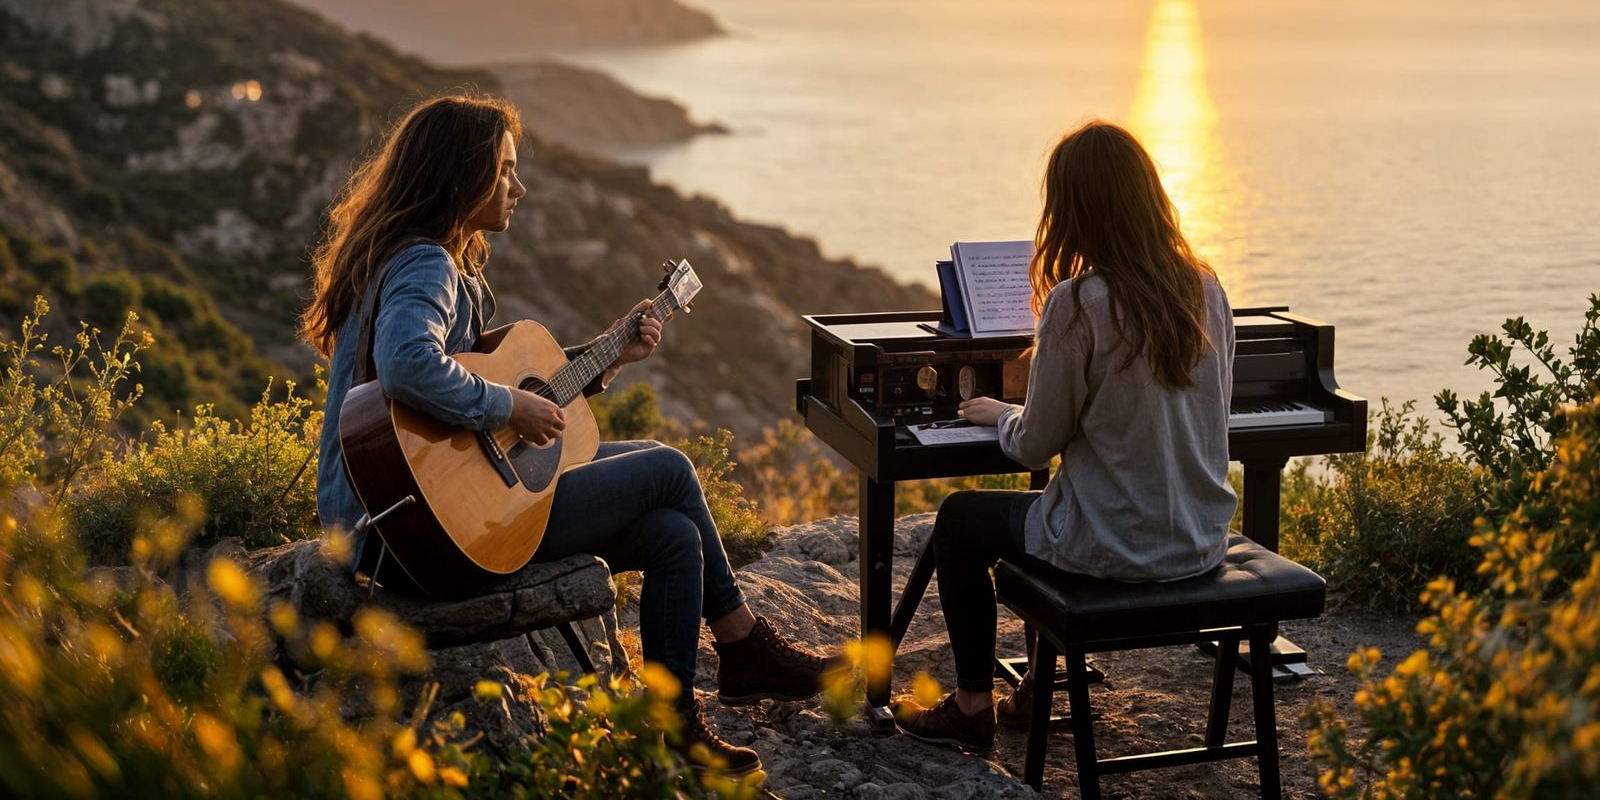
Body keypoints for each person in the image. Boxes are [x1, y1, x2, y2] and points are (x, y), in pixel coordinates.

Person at [302, 93, 837, 777]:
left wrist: (610, 356)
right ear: (456, 177)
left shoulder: (398, 256)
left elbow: (476, 404)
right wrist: (508, 409)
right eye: (503, 171)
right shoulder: (426, 263)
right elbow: (409, 367)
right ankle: (742, 644)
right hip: (413, 539)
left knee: (673, 535)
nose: (518, 188)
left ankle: (671, 727)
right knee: (669, 469)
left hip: (397, 524)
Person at [893, 119, 1237, 754]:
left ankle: (972, 706)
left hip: (1116, 546)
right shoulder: (1207, 289)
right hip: (1199, 541)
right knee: (1046, 506)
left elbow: (1032, 445)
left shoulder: (1079, 303)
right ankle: (1032, 693)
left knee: (961, 520)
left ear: (1073, 209)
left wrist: (1000, 412)